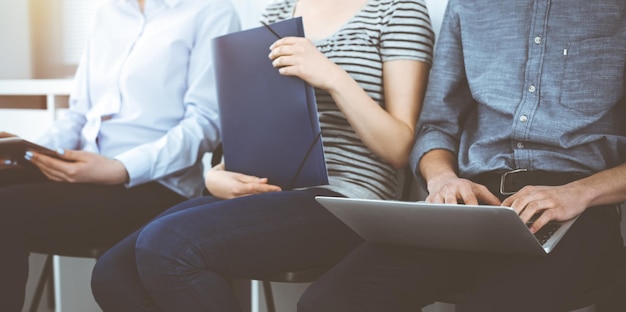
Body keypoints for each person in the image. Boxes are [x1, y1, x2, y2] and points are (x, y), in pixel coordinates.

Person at [90, 0, 435, 310]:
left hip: (347, 200)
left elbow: (400, 148)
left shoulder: (397, 11)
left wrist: (332, 76)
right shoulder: (277, 13)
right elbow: (256, 126)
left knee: (169, 247)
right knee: (112, 272)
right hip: (273, 190)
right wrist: (218, 174)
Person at [296, 0, 626, 311]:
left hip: (577, 209)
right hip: (471, 205)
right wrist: (442, 178)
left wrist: (579, 193)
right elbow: (436, 126)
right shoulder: (468, 5)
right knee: (331, 301)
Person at [0, 0, 240, 310]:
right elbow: (78, 115)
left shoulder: (212, 12)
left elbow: (205, 124)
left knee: (6, 211)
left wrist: (120, 168)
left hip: (155, 185)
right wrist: (28, 153)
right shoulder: (107, 13)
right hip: (84, 170)